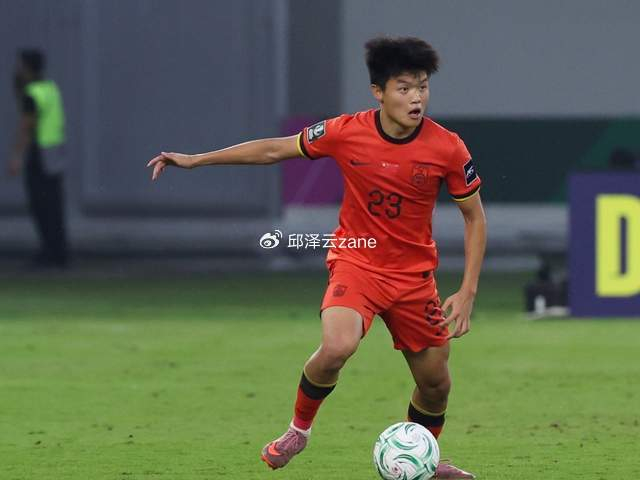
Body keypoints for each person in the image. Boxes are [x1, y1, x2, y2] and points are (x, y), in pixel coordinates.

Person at [147, 36, 486, 479]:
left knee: (436, 384)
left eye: (422, 87)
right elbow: (274, 149)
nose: (416, 98)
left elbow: (474, 217)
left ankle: (423, 459)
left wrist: (468, 290)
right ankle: (298, 431)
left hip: (413, 276)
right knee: (337, 346)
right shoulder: (345, 132)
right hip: (357, 262)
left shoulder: (448, 147)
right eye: (404, 88)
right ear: (378, 92)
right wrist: (196, 160)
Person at [8, 49, 69, 268]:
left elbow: (27, 126)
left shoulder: (32, 93)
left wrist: (16, 156)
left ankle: (48, 251)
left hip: (40, 152)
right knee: (54, 203)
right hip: (55, 150)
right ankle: (59, 250)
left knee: (40, 204)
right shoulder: (50, 88)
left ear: (27, 67)